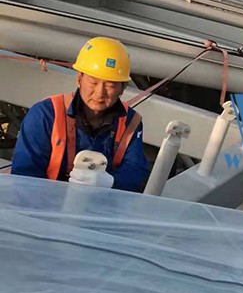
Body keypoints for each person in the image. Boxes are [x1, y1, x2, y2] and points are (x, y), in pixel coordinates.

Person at [11, 37, 149, 191]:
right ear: (79, 78)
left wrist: (111, 182)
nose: (100, 93)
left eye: (110, 85)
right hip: (43, 201)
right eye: (93, 82)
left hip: (102, 203)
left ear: (123, 88)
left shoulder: (130, 122)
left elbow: (136, 169)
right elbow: (24, 174)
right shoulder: (45, 115)